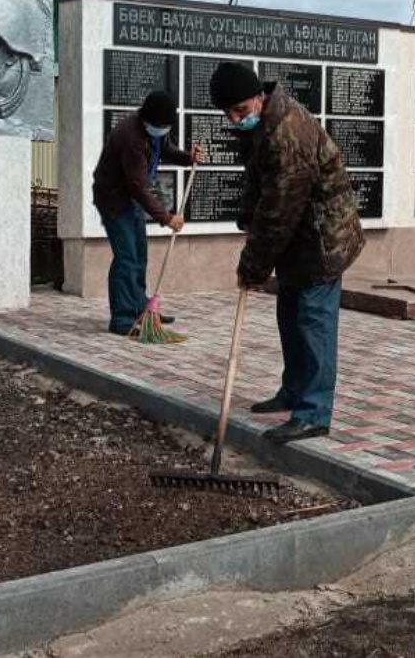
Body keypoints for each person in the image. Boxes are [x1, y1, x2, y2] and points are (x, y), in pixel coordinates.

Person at [209, 62, 364, 444]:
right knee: (290, 316)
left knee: (313, 322)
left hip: (323, 240)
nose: (235, 119)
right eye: (228, 113)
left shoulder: (287, 133)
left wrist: (253, 266)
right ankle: (293, 391)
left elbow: (280, 210)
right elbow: (258, 180)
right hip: (297, 239)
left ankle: (313, 412)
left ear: (258, 97)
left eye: (239, 110)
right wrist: (248, 216)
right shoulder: (263, 124)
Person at [91, 90, 203, 335]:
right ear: (146, 119)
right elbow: (138, 187)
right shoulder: (130, 136)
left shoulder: (156, 129)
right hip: (114, 200)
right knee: (127, 257)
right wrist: (167, 218)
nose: (163, 130)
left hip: (132, 199)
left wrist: (188, 158)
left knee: (139, 255)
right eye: (159, 126)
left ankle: (142, 310)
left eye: (166, 126)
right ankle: (122, 318)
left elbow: (166, 149)